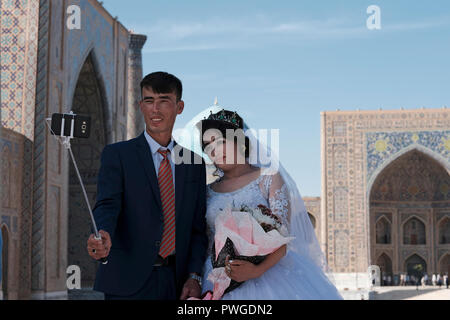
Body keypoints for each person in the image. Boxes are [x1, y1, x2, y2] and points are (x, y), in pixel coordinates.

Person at [194, 108, 342, 299]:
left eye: (221, 142)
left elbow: (283, 235)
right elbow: (204, 240)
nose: (214, 150)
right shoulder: (207, 191)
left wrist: (256, 270)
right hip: (217, 280)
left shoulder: (268, 179)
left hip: (269, 277)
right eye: (207, 146)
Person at [86, 72, 208, 300]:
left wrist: (194, 276)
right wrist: (102, 232)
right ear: (140, 106)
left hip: (178, 283)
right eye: (149, 101)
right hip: (127, 282)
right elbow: (107, 204)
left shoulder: (194, 163)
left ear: (179, 106)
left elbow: (197, 229)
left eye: (163, 101)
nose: (155, 109)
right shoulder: (117, 155)